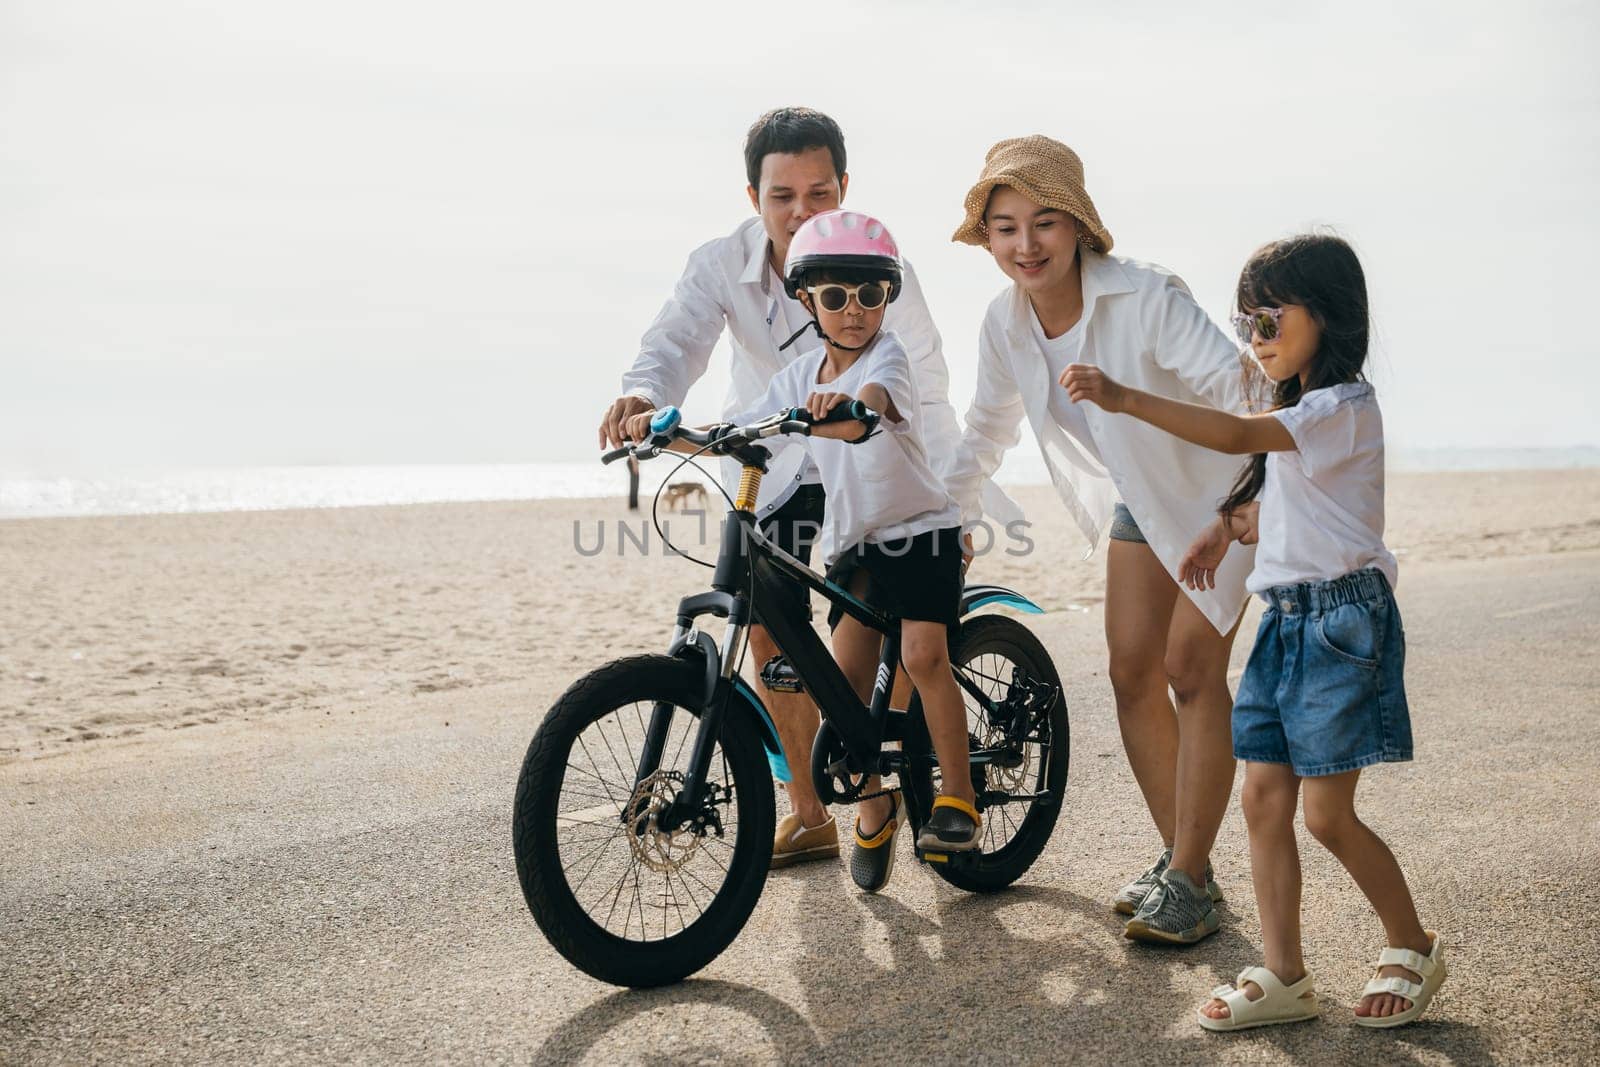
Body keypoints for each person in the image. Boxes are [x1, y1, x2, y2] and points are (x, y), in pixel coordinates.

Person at [1064, 233, 1445, 1030]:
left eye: (1269, 320)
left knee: (1326, 815)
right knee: (1263, 799)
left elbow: (1241, 438)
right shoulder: (1298, 418)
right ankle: (1284, 972)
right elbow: (1273, 497)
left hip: (1343, 624)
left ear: (1329, 316)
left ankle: (1412, 943)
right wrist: (1219, 529)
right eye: (1247, 325)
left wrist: (1124, 396)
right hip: (1285, 625)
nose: (1255, 341)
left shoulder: (1341, 408)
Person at [598, 108, 967, 869]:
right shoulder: (719, 264)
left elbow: (923, 383)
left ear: (844, 187)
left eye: (819, 192)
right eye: (782, 196)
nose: (801, 210)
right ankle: (810, 809)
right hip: (769, 456)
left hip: (866, 464)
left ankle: (874, 787)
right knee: (765, 620)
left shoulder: (878, 269)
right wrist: (645, 400)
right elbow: (675, 340)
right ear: (752, 196)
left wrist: (959, 495)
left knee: (875, 627)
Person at [945, 136, 1254, 943]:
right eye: (1006, 227)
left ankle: (1187, 876)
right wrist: (950, 515)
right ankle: (1187, 862)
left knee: (1190, 669)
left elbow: (1242, 393)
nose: (1026, 244)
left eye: (1044, 222)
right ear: (988, 238)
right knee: (1128, 672)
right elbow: (986, 428)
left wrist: (1247, 500)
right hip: (1142, 501)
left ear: (1079, 224)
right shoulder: (1005, 322)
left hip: (1230, 492)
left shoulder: (1146, 297)